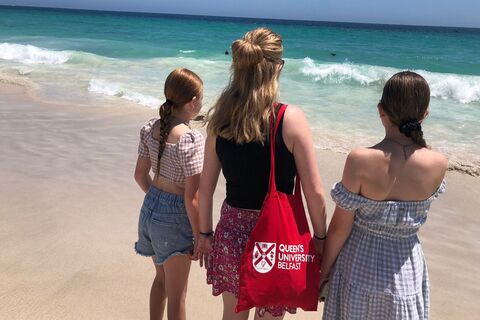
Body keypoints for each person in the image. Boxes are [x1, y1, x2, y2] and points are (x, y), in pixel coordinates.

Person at [196, 27, 328, 320]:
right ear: (277, 67)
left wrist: (205, 234)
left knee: (232, 314)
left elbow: (204, 190)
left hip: (230, 234)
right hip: (276, 236)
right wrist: (320, 237)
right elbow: (314, 191)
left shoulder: (220, 120)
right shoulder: (289, 118)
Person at [319, 71, 448, 319]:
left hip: (357, 268)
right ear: (425, 115)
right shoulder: (438, 163)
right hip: (407, 273)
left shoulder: (360, 160)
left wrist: (323, 272)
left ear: (381, 110)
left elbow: (339, 229)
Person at [134, 68, 205, 320]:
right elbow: (192, 197)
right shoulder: (190, 139)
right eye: (201, 97)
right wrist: (199, 237)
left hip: (150, 207)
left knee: (161, 281)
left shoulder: (151, 128)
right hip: (175, 216)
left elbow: (140, 175)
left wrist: (157, 200)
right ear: (192, 102)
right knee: (178, 294)